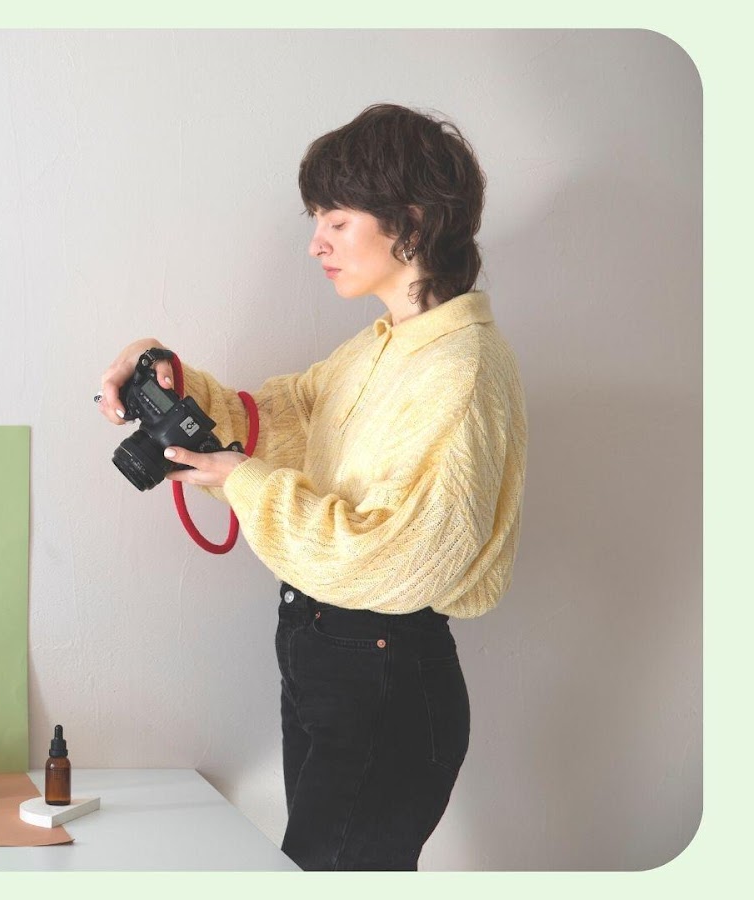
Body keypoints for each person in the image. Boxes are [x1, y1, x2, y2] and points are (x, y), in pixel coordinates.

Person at [97, 103, 528, 871]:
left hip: (384, 671)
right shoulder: (382, 346)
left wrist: (246, 482)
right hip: (331, 654)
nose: (316, 240)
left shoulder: (460, 371)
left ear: (414, 220)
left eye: (336, 216)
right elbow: (289, 416)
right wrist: (169, 379)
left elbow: (402, 561)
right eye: (316, 216)